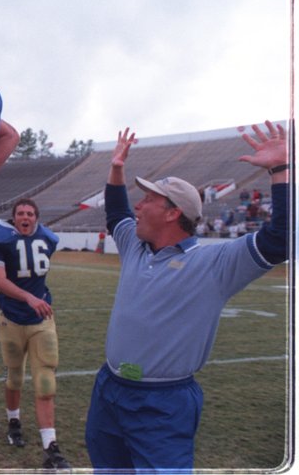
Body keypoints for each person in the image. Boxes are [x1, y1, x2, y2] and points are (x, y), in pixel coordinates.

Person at [84, 121, 289, 470]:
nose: (139, 205)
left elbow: (279, 240)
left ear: (173, 212)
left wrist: (280, 171)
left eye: (149, 199)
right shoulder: (135, 245)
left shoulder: (213, 262)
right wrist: (116, 168)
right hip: (110, 389)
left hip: (163, 403)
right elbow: (116, 211)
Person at [0, 198, 71, 469]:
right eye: (20, 213)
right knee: (15, 377)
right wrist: (29, 297)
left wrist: (34, 299)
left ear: (37, 218)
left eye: (30, 213)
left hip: (42, 321)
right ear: (14, 218)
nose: (25, 217)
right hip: (12, 320)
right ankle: (13, 421)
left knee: (45, 381)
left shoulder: (48, 238)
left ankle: (50, 447)